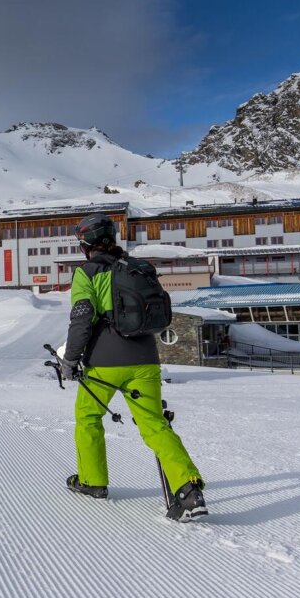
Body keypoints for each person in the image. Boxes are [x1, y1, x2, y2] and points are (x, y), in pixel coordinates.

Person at [62, 213, 207, 521]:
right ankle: (188, 488)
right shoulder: (137, 269)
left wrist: (70, 361)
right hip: (145, 359)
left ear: (86, 242)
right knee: (155, 424)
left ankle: (93, 481)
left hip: (104, 363)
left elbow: (82, 318)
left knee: (88, 417)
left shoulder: (87, 273)